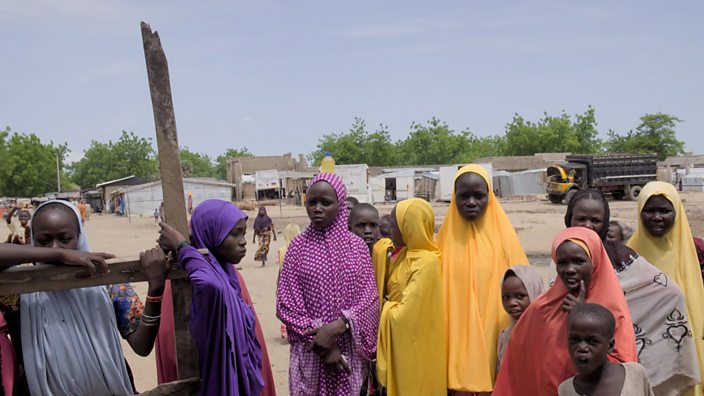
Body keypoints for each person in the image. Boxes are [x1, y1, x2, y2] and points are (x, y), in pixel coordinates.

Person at [2, 200, 171, 395]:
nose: (55, 246)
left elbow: (142, 346)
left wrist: (155, 291)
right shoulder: (20, 288)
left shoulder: (106, 282)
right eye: (44, 240)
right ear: (32, 240)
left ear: (80, 236)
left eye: (65, 239)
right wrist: (58, 255)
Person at [565, 189, 700, 394]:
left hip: (615, 364)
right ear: (568, 220)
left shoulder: (622, 259)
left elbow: (671, 295)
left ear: (605, 223)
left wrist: (585, 310)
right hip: (568, 366)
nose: (588, 227)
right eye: (581, 219)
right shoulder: (562, 255)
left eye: (595, 220)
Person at [494, 227, 637, 396]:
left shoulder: (613, 309)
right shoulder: (540, 310)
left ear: (595, 261)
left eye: (579, 261)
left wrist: (582, 316)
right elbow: (517, 369)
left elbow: (623, 370)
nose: (569, 269)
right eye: (562, 263)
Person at [276, 173, 379, 395]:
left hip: (348, 350)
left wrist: (341, 324)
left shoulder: (357, 248)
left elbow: (369, 299)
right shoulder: (297, 248)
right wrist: (323, 342)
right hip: (310, 350)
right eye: (312, 202)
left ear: (340, 204)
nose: (317, 208)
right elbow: (286, 304)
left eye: (326, 202)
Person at [435, 164, 529, 393]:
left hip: (495, 334)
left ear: (490, 196)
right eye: (463, 196)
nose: (471, 202)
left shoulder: (505, 241)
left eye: (479, 196)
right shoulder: (441, 244)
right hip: (455, 335)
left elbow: (527, 289)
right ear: (453, 197)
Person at [158, 200, 266, 396]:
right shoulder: (192, 280)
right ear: (210, 233)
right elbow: (210, 286)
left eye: (243, 233)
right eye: (234, 234)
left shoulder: (230, 276)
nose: (242, 241)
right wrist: (183, 248)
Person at [627, 181, 704, 395]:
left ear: (677, 212)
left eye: (664, 210)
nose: (657, 217)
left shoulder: (693, 255)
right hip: (644, 355)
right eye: (649, 210)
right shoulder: (627, 256)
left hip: (685, 350)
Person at [376, 198, 446, 395]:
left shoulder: (426, 262)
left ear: (408, 227)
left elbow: (406, 315)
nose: (389, 228)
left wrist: (385, 307)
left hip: (417, 348)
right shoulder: (404, 256)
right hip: (403, 345)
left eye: (394, 223)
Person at [558, 303, 654, 396]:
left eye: (592, 341)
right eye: (574, 339)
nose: (582, 347)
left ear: (610, 346)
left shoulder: (635, 373)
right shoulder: (566, 390)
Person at [496, 265, 545, 370]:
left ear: (534, 292)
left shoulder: (548, 336)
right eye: (506, 297)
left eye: (520, 296)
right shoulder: (504, 337)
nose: (511, 303)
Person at [277, 223, 302, 340]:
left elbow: (280, 270)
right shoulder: (303, 250)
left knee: (287, 308)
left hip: (285, 283)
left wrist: (278, 286)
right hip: (300, 285)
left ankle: (286, 329)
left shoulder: (282, 250)